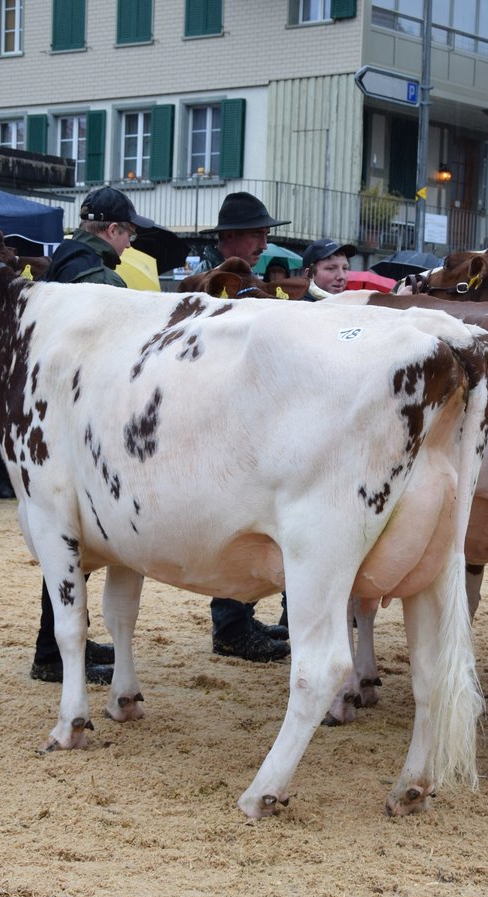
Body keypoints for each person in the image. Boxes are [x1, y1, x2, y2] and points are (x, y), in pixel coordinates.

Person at [28, 186, 161, 686]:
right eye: (128, 233)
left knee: (68, 538)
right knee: (71, 540)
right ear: (112, 231)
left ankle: (61, 641)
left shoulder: (62, 262)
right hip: (84, 420)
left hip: (60, 416)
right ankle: (52, 650)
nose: (129, 245)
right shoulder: (96, 277)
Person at [192, 191, 291, 662]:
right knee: (233, 515)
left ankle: (241, 618)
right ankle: (230, 628)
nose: (263, 241)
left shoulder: (239, 274)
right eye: (256, 233)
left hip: (235, 405)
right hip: (217, 406)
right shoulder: (210, 277)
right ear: (229, 236)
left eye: (264, 233)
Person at [193, 191, 290, 274]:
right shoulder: (202, 283)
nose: (264, 246)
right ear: (229, 235)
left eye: (266, 235)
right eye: (257, 234)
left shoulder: (243, 276)